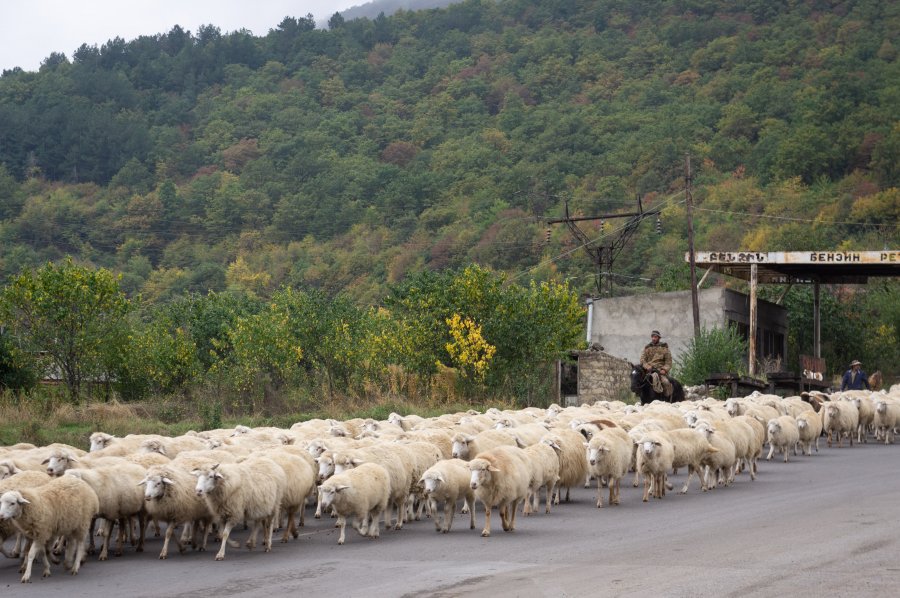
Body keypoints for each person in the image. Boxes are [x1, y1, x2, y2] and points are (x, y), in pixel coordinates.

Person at [640, 330, 673, 397]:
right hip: (649, 370)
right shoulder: (647, 348)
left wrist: (664, 370)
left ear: (659, 338)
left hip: (659, 371)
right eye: (652, 337)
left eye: (655, 337)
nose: (653, 338)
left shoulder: (664, 348)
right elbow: (642, 360)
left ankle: (668, 398)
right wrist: (647, 366)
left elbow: (668, 361)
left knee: (666, 383)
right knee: (638, 381)